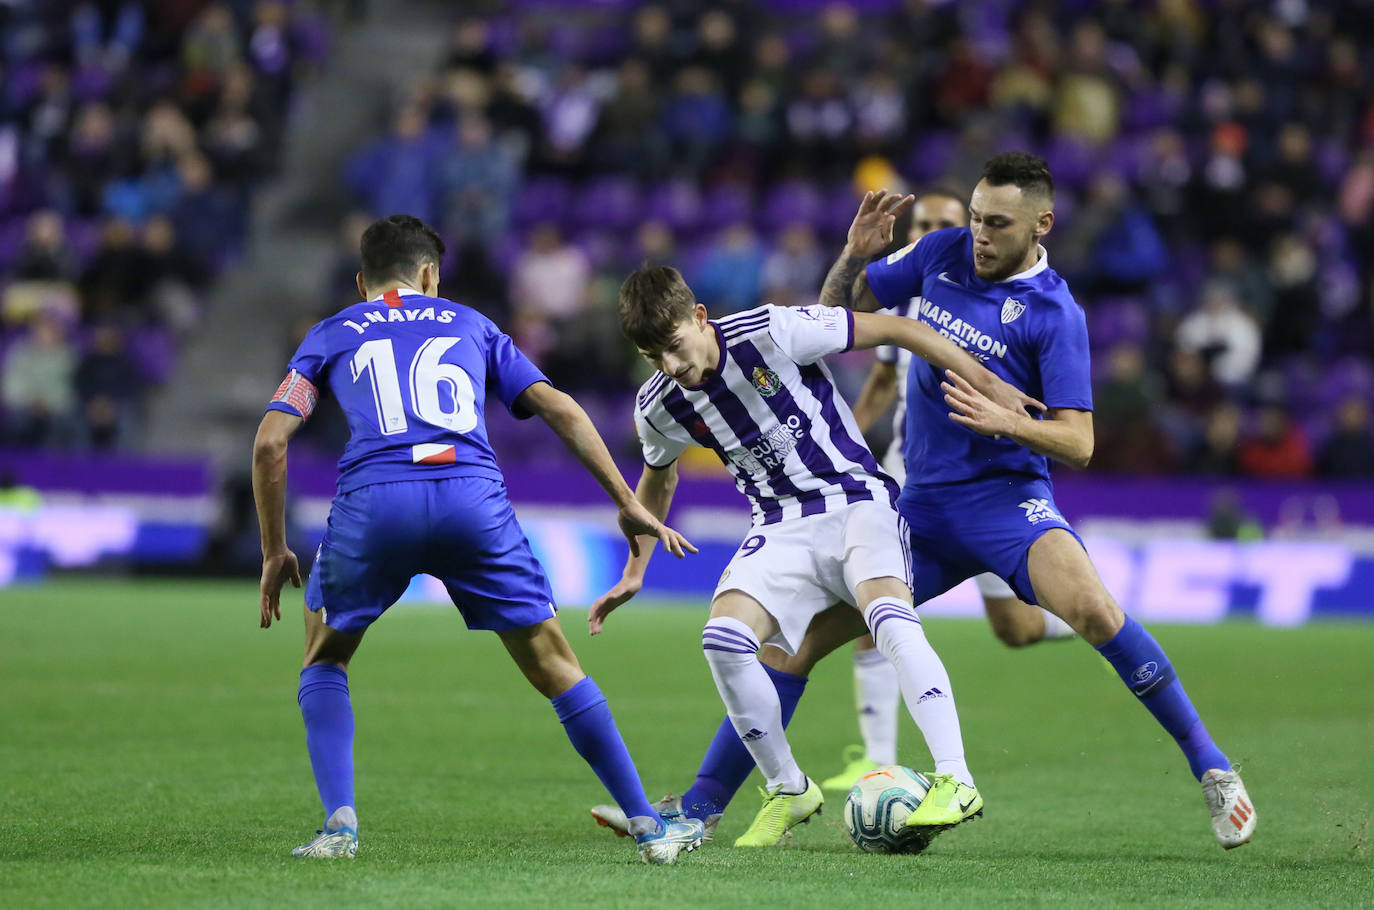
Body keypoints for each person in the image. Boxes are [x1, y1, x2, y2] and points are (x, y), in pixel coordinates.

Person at [813, 152, 1256, 849]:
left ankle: (1212, 766)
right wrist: (852, 255)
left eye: (996, 224)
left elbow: (1078, 444)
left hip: (1006, 505)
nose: (979, 235)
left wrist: (1009, 422)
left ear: (1041, 224)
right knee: (806, 637)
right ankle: (704, 804)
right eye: (976, 217)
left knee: (1095, 609)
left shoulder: (1056, 313)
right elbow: (828, 323)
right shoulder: (941, 252)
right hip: (921, 510)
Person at [251, 214, 705, 864]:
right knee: (555, 664)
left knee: (325, 657)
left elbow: (270, 442)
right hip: (472, 500)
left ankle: (339, 828)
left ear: (361, 283)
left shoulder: (331, 332)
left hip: (375, 503)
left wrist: (274, 550)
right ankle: (649, 826)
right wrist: (627, 502)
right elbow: (561, 408)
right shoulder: (473, 324)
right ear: (430, 275)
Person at [586, 262, 1042, 848]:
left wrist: (988, 382)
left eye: (675, 346)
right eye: (655, 358)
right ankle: (789, 787)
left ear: (700, 318)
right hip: (779, 526)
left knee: (887, 620)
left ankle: (955, 777)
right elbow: (658, 478)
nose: (672, 366)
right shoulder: (659, 405)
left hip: (856, 499)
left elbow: (901, 332)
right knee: (722, 638)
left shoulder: (772, 331)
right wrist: (635, 568)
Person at [820, 187, 1074, 793]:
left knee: (1013, 630)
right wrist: (844, 441)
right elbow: (882, 381)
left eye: (944, 223)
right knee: (870, 609)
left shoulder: (988, 303)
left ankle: (1080, 614)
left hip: (983, 489)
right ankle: (878, 757)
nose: (928, 229)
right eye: (924, 221)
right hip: (908, 477)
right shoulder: (898, 302)